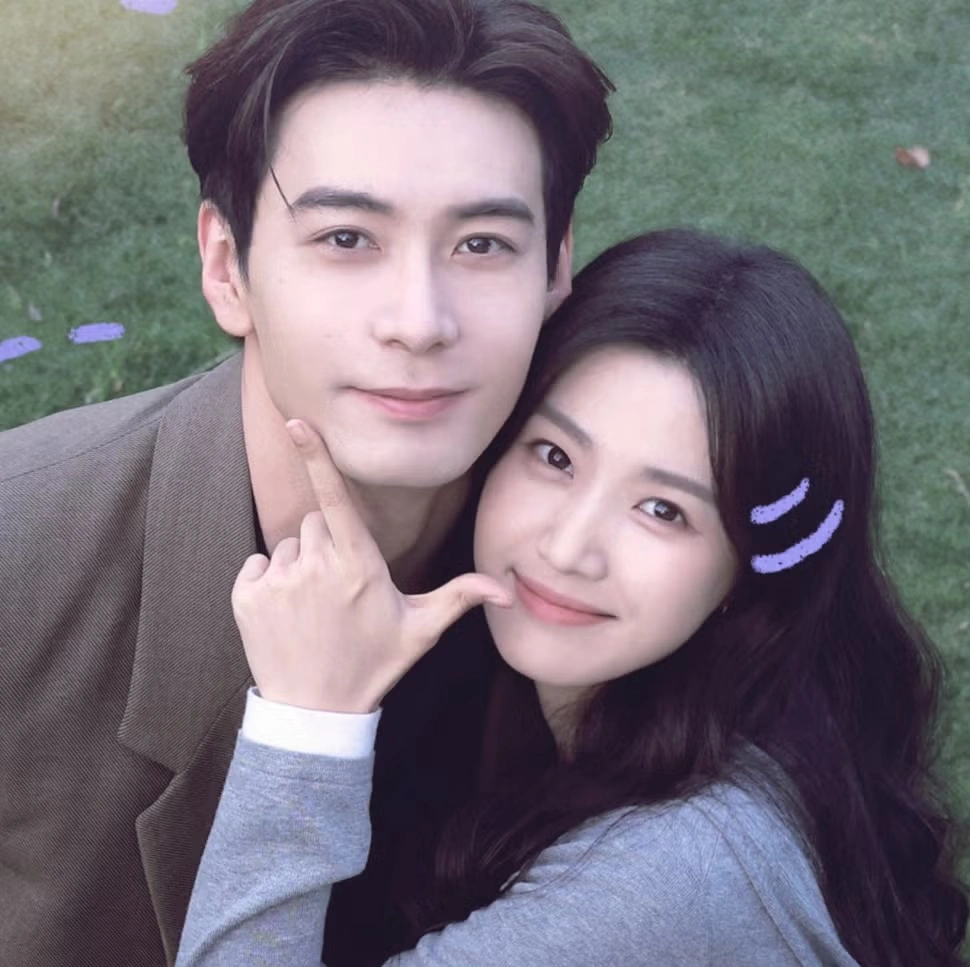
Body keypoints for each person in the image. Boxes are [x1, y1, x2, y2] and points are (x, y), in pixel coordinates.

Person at [0, 1, 614, 964]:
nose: (419, 321)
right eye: (346, 239)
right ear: (227, 268)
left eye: (482, 244)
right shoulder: (20, 559)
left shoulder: (629, 553)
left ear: (555, 266)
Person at [175, 229, 969, 967]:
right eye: (555, 456)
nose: (566, 547)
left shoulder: (670, 875)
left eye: (663, 509)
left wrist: (306, 727)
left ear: (749, 572)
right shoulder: (683, 714)